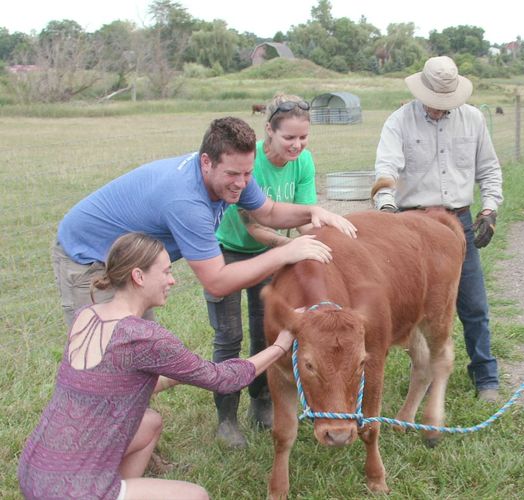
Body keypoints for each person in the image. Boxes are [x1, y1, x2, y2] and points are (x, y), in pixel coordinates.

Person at [18, 233, 296, 499]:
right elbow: (225, 379)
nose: (172, 280)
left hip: (35, 470)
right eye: (165, 272)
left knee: (150, 423)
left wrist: (183, 373)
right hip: (71, 491)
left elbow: (112, 384)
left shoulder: (85, 315)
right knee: (197, 496)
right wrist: (280, 346)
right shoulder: (143, 336)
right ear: (138, 276)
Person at [52, 116, 356, 327]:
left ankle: (135, 416)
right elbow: (217, 281)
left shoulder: (232, 172)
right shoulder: (187, 202)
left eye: (248, 173)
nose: (242, 183)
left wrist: (314, 212)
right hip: (90, 258)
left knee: (133, 345)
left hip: (132, 260)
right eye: (234, 175)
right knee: (101, 352)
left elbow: (268, 212)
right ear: (206, 162)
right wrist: (286, 252)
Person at [373, 55, 503, 403]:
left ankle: (485, 376)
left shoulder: (473, 120)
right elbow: (386, 168)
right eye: (433, 102)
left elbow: (489, 169)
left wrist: (489, 209)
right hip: (411, 224)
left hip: (457, 221)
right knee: (412, 305)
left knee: (472, 302)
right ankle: (425, 372)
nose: (438, 108)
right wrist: (386, 207)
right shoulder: (398, 122)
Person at [206, 94, 317, 447]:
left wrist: (319, 243)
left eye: (303, 137)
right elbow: (255, 227)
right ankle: (226, 418)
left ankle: (261, 403)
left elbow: (305, 217)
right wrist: (291, 249)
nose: (297, 145)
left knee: (265, 332)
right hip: (227, 253)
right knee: (229, 337)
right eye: (289, 138)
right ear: (268, 131)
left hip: (272, 257)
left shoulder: (304, 163)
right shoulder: (247, 160)